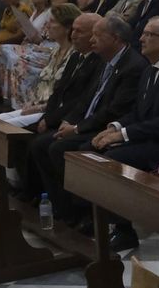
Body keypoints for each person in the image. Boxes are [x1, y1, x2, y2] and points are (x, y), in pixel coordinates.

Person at [80, 16, 159, 251]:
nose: (141, 38)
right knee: (89, 149)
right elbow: (139, 112)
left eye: (148, 34)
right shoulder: (149, 70)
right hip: (150, 138)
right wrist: (114, 128)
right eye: (143, 33)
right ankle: (95, 218)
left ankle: (124, 230)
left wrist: (124, 135)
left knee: (112, 161)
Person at [29, 16, 147, 223]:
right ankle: (61, 206)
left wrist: (77, 128)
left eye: (97, 35)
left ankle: (83, 212)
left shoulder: (133, 66)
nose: (92, 40)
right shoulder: (104, 60)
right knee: (40, 144)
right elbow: (87, 98)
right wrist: (69, 120)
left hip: (107, 127)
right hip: (88, 121)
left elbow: (114, 110)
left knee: (59, 148)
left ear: (115, 38)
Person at [0, 6, 87, 129]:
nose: (47, 25)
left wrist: (40, 107)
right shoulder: (56, 51)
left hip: (51, 110)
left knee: (4, 126)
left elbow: (64, 95)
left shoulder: (75, 55)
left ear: (67, 28)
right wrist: (31, 103)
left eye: (53, 22)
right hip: (38, 104)